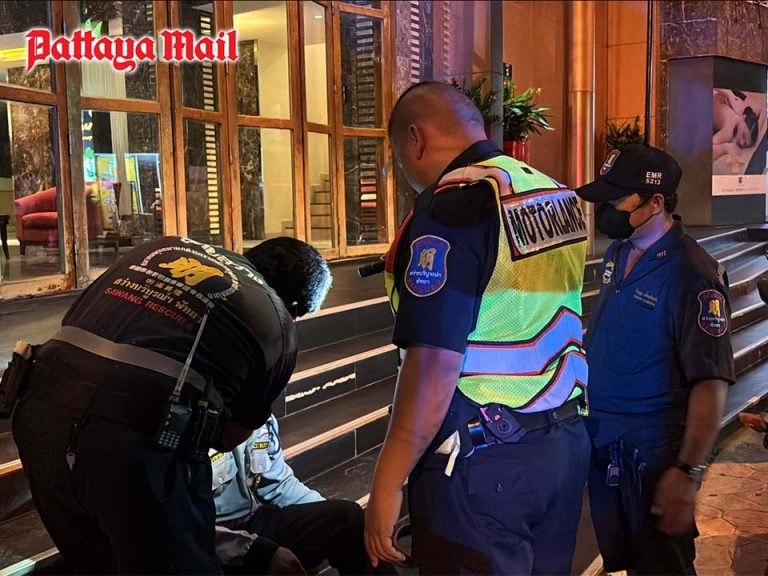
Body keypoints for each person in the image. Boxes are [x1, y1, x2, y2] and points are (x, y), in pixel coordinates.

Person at [364, 81, 591, 575]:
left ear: (416, 139)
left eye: (399, 158)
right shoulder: (553, 192)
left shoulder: (455, 207)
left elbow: (434, 364)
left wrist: (387, 481)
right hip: (562, 441)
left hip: (485, 461)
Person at [11, 236, 332, 574]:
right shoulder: (277, 321)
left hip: (36, 415)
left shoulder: (163, 248)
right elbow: (231, 437)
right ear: (294, 306)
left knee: (96, 563)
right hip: (131, 442)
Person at [576, 144, 735, 575]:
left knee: (662, 566)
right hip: (608, 440)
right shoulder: (620, 251)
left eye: (617, 200)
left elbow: (711, 382)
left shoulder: (693, 273)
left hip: (655, 452)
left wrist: (687, 470)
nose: (606, 210)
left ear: (656, 202)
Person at [211, 414, 377, 575]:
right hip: (210, 540)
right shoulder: (198, 428)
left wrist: (325, 515)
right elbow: (194, 530)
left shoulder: (259, 414)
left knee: (347, 519)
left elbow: (279, 484)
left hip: (250, 521)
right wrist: (257, 552)